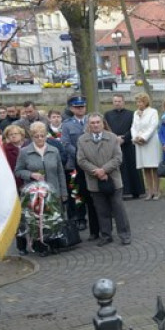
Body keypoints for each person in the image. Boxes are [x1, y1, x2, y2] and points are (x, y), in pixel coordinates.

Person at [76, 113, 131, 246]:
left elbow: (118, 158)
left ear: (102, 123)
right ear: (88, 124)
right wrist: (96, 172)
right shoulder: (82, 140)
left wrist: (104, 170)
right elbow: (81, 160)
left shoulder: (112, 138)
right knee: (101, 210)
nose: (95, 125)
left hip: (113, 180)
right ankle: (106, 235)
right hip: (94, 181)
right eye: (92, 123)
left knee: (119, 209)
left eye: (97, 122)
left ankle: (124, 235)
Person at [15, 122, 69, 256]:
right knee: (37, 220)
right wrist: (31, 174)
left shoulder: (54, 150)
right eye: (36, 136)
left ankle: (54, 244)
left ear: (46, 136)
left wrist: (63, 192)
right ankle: (40, 246)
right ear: (32, 137)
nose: (40, 139)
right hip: (35, 194)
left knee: (53, 219)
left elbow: (60, 172)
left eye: (42, 136)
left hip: (52, 191)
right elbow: (18, 170)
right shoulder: (24, 152)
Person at [62, 96, 99, 239]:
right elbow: (65, 143)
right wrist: (79, 154)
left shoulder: (92, 121)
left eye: (82, 106)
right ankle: (80, 218)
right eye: (77, 107)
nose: (80, 109)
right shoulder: (67, 124)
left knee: (93, 192)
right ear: (71, 109)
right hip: (74, 164)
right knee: (77, 193)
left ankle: (98, 220)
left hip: (93, 162)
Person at [104, 93, 144, 199]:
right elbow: (106, 128)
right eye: (115, 101)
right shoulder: (108, 114)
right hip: (113, 144)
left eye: (119, 101)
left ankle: (136, 190)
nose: (117, 103)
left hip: (128, 144)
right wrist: (114, 138)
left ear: (123, 102)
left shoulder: (131, 114)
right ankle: (120, 190)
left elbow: (134, 127)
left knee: (131, 167)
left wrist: (124, 138)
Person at [131, 93, 161, 199]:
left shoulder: (153, 112)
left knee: (154, 167)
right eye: (137, 102)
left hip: (150, 141)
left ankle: (157, 191)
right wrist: (135, 137)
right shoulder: (136, 113)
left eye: (141, 102)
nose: (139, 104)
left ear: (146, 102)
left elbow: (153, 126)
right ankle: (150, 191)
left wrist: (144, 137)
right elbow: (134, 127)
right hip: (140, 143)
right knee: (146, 168)